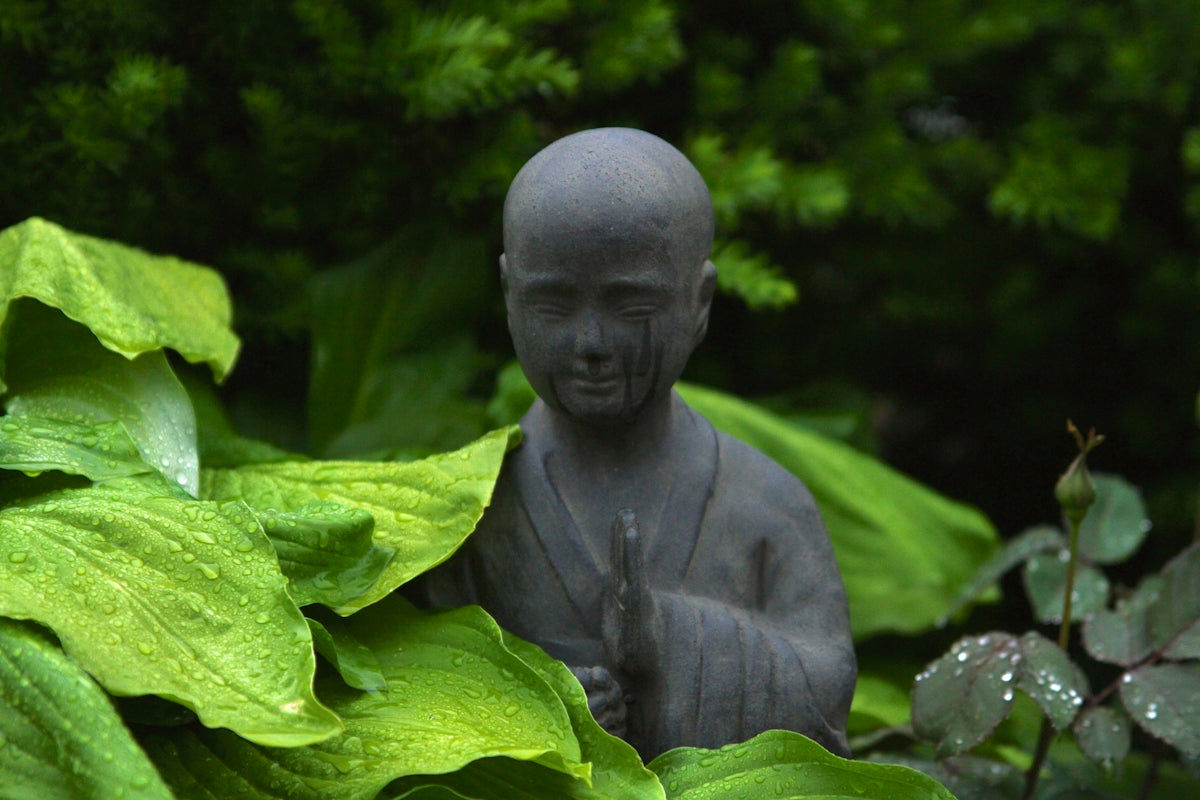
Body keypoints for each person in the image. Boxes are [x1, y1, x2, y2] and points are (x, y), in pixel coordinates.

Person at [419, 127, 856, 759]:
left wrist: (668, 644)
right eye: (553, 306)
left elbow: (826, 689)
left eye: (630, 307)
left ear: (699, 303)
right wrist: (536, 700)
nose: (590, 342)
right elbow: (413, 682)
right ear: (510, 295)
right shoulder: (467, 507)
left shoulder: (766, 503)